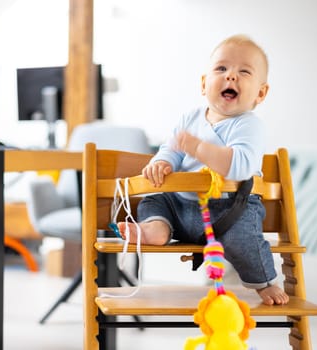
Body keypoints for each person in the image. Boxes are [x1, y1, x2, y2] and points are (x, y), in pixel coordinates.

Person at [118, 34, 289, 305]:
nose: (230, 76)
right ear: (203, 83)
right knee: (154, 200)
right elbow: (171, 150)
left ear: (260, 93)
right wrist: (162, 163)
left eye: (244, 71)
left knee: (243, 240)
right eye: (221, 69)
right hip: (181, 205)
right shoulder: (190, 118)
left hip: (231, 208)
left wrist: (198, 148)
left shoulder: (249, 125)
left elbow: (240, 166)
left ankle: (264, 281)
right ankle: (156, 228)